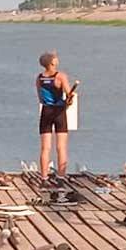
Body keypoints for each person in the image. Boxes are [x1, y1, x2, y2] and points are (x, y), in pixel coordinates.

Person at [36, 51, 73, 183]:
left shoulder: (39, 78)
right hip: (59, 112)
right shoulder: (61, 76)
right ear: (52, 62)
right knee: (61, 147)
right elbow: (69, 94)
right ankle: (61, 176)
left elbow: (41, 98)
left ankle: (44, 177)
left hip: (46, 111)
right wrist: (69, 100)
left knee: (45, 147)